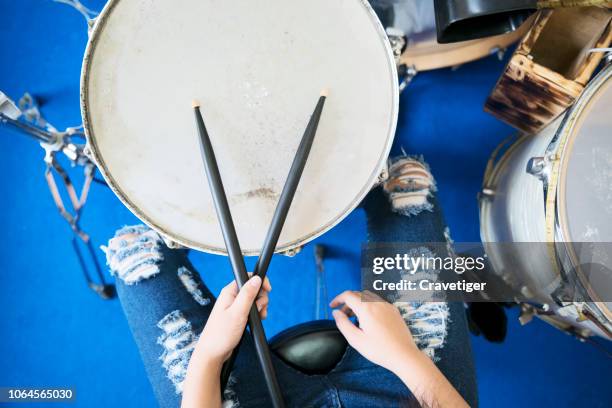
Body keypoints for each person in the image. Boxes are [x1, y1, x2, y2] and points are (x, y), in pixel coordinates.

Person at [106, 155, 477, 407]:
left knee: (134, 255)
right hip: (406, 395)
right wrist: (404, 357)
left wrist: (211, 353)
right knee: (409, 182)